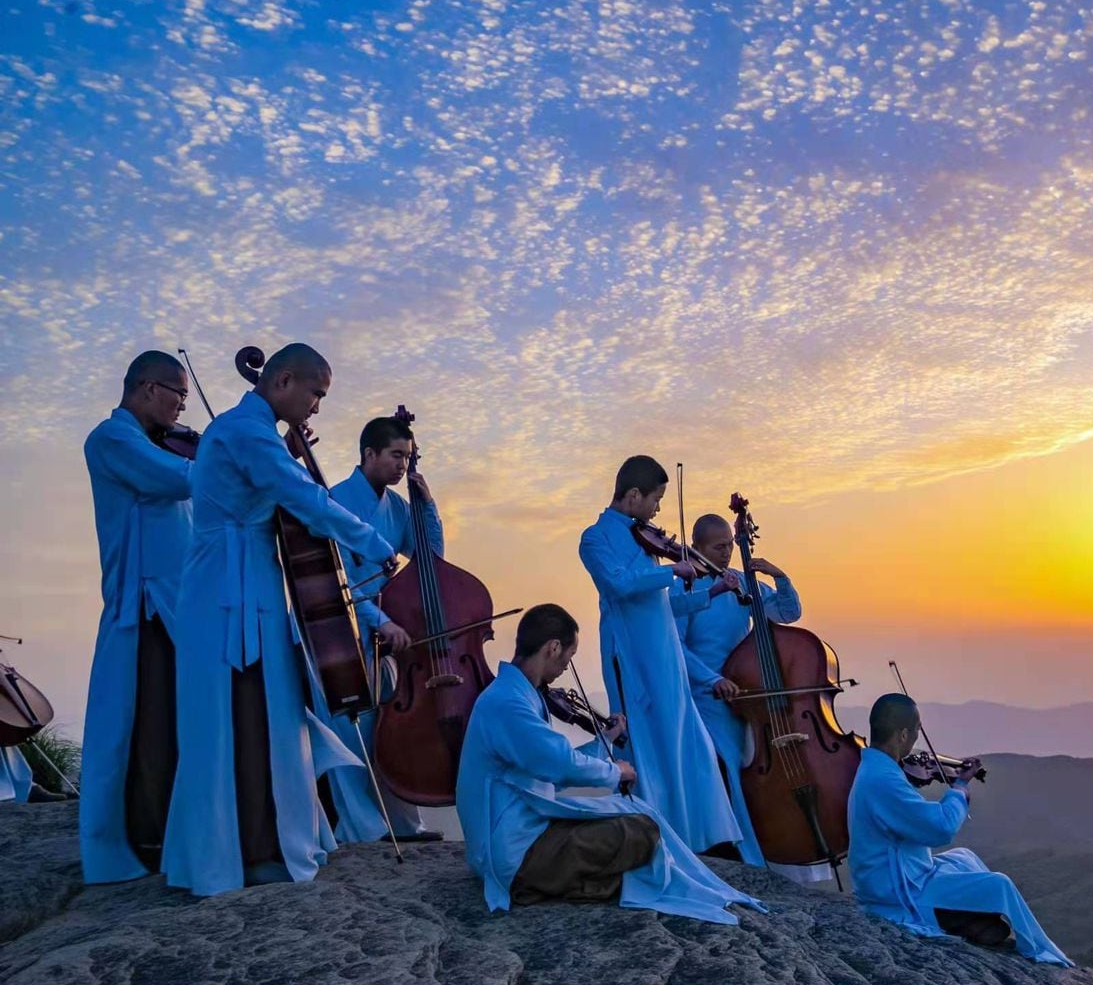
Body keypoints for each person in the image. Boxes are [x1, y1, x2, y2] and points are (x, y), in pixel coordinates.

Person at [160, 344, 395, 896]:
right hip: (225, 588)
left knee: (257, 716)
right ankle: (237, 853)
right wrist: (374, 542)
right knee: (232, 716)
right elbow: (303, 497)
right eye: (316, 393)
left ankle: (257, 844)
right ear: (284, 380)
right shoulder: (245, 431)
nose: (316, 406)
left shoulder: (255, 431)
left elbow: (292, 492)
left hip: (248, 583)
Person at [455, 604, 762, 921]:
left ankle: (579, 882)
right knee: (640, 831)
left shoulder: (514, 695)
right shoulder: (508, 703)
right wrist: (617, 772)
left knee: (636, 815)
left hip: (522, 833)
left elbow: (552, 772)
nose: (565, 667)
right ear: (553, 647)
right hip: (514, 853)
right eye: (567, 658)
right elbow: (560, 764)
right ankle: (541, 884)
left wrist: (606, 740)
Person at [578, 457, 742, 857]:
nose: (657, 511)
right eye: (656, 500)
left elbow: (661, 608)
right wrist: (671, 571)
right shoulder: (595, 538)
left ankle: (701, 836)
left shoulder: (641, 538)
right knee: (646, 743)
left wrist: (709, 594)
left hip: (665, 654)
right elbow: (618, 585)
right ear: (633, 495)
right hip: (632, 656)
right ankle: (655, 836)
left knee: (686, 742)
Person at [78, 351, 195, 878]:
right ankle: (146, 839)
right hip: (143, 604)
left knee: (174, 721)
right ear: (149, 389)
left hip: (176, 603)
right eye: (178, 396)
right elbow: (171, 480)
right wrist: (232, 453)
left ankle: (176, 830)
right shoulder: (111, 439)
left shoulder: (155, 444)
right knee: (148, 725)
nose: (181, 408)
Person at [848, 692, 1070, 965]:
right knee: (1000, 884)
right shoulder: (883, 780)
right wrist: (959, 788)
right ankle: (1040, 952)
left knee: (964, 856)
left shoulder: (877, 769)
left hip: (903, 872)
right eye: (917, 731)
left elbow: (909, 816)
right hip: (898, 891)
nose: (918, 738)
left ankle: (971, 918)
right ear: (903, 735)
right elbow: (940, 828)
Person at [318, 414, 443, 843]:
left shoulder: (398, 506)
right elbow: (342, 584)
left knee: (393, 729)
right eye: (395, 456)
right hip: (343, 631)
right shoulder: (336, 499)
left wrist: (427, 506)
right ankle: (362, 828)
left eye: (407, 458)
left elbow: (430, 558)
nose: (402, 466)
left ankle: (405, 824)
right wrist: (382, 621)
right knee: (354, 732)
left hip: (388, 632)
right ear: (368, 454)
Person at [675, 511, 815, 879]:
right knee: (726, 775)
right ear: (697, 547)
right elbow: (676, 647)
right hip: (707, 700)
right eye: (718, 547)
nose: (726, 554)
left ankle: (769, 853)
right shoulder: (686, 589)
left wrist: (778, 576)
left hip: (747, 698)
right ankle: (735, 854)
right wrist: (710, 680)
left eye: (730, 546)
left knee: (752, 773)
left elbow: (787, 612)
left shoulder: (738, 583)